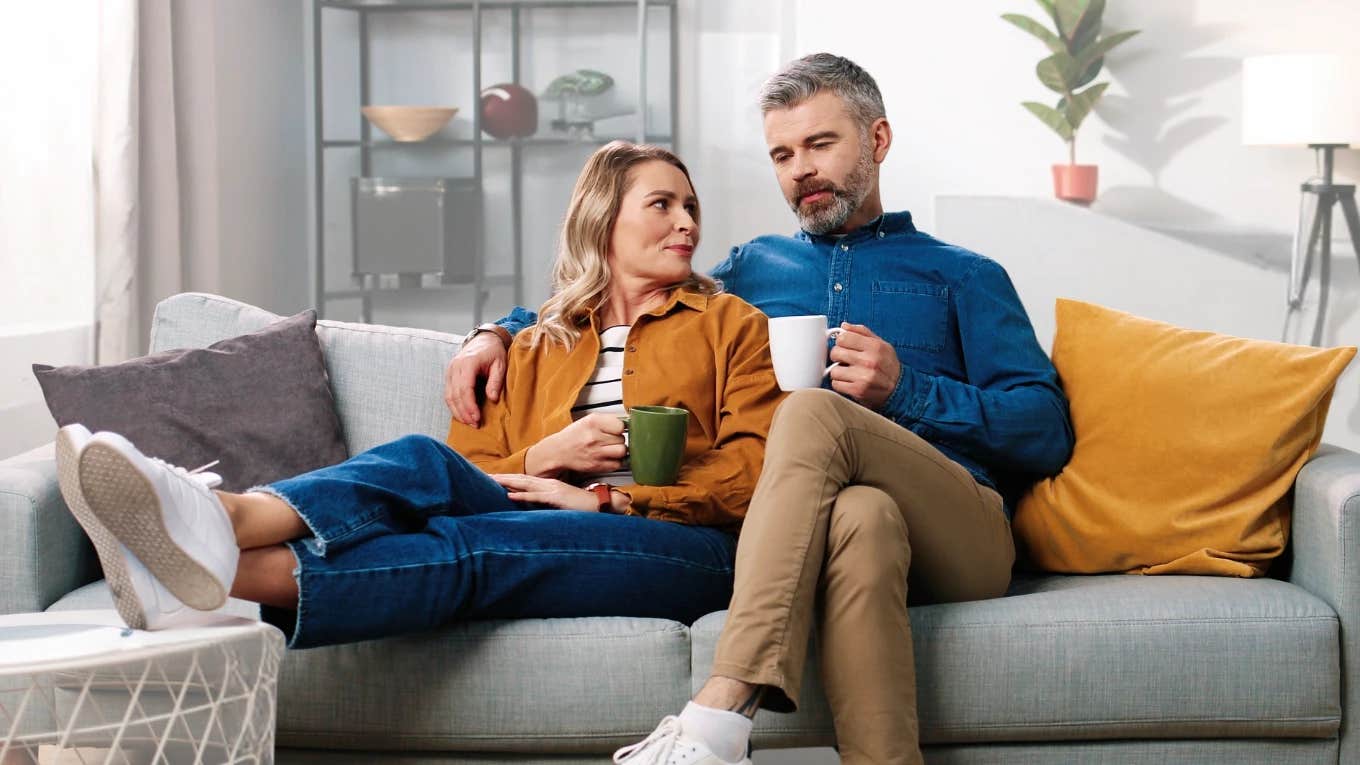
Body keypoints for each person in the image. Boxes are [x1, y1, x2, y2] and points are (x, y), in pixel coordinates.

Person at [446, 55, 1074, 765]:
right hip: (842, 527)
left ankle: (720, 715)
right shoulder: (747, 273)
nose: (800, 169)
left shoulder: (962, 273)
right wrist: (495, 330)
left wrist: (907, 390)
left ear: (879, 140)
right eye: (782, 154)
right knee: (861, 514)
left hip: (961, 531)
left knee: (810, 413)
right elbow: (616, 285)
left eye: (820, 144)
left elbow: (1044, 431)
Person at [55, 141, 787, 651]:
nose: (688, 221)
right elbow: (465, 473)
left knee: (479, 544)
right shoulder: (535, 344)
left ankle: (203, 539)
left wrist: (605, 499)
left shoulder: (732, 325)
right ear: (603, 220)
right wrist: (548, 456)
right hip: (530, 515)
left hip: (684, 550)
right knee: (422, 466)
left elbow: (757, 475)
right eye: (662, 204)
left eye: (691, 205)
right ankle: (218, 531)